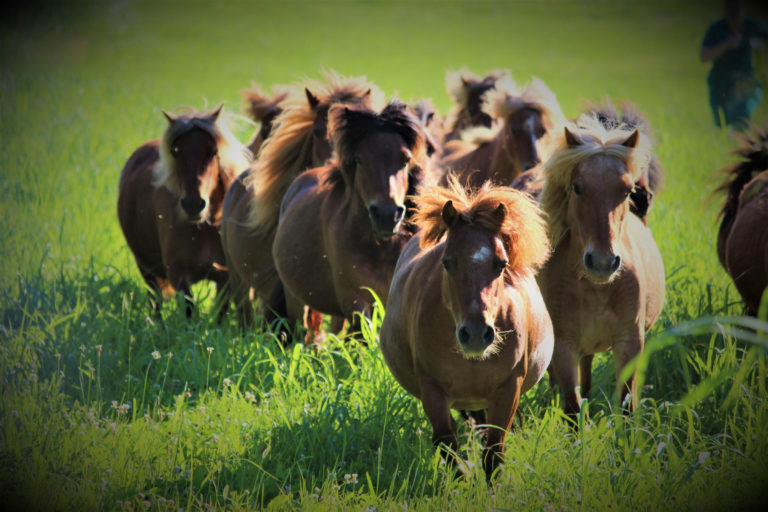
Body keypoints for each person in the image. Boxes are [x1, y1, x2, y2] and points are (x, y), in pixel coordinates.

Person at [700, 0, 768, 129]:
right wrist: (726, 45)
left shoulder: (754, 27)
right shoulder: (716, 29)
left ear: (743, 8)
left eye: (737, 8)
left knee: (740, 116)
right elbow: (704, 56)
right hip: (720, 83)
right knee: (722, 124)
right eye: (731, 8)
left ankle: (742, 140)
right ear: (725, 9)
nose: (734, 12)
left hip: (746, 81)